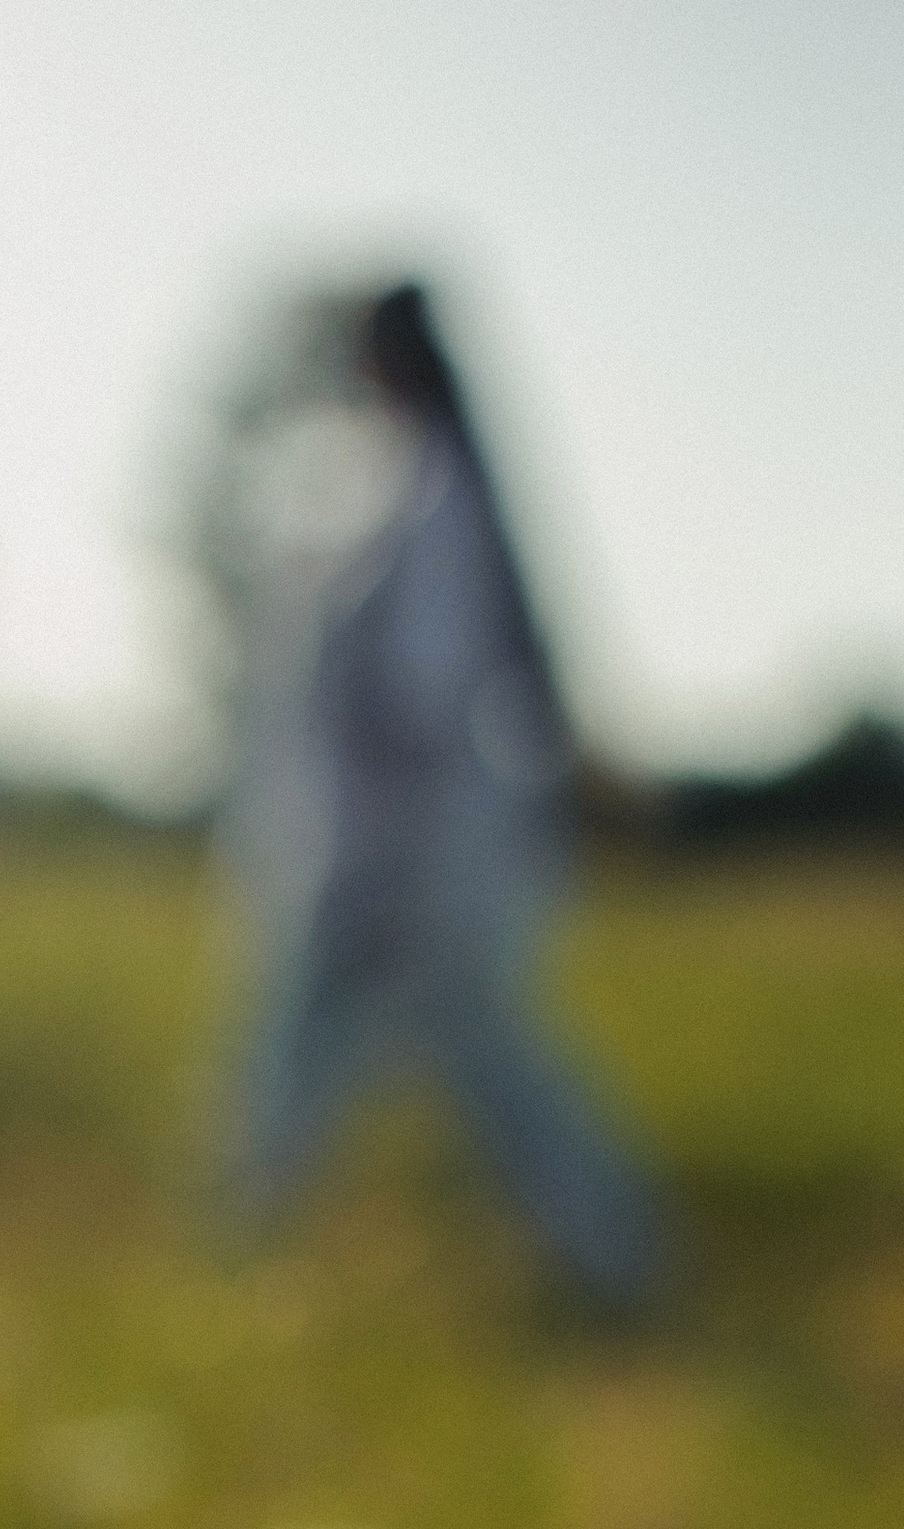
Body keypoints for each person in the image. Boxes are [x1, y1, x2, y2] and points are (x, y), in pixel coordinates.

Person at [218, 281, 663, 1308]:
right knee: (324, 1061)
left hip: (406, 856)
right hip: (386, 852)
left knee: (468, 1061)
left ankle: (619, 1262)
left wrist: (384, 849)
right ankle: (239, 1249)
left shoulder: (433, 501)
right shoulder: (409, 488)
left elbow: (420, 695)